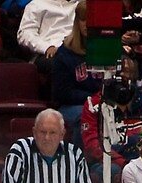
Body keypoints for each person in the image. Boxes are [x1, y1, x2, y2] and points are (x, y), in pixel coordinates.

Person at [80, 55, 142, 181]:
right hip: (109, 161)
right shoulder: (94, 105)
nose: (121, 75)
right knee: (110, 170)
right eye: (117, 71)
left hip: (140, 159)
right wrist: (124, 164)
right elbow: (92, 146)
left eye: (126, 71)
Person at [49, 1, 101, 146]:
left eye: (91, 20)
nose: (87, 24)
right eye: (83, 20)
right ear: (77, 22)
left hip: (104, 104)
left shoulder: (108, 52)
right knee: (84, 115)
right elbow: (62, 93)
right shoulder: (64, 54)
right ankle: (82, 160)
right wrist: (93, 99)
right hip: (72, 106)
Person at [15, 0, 78, 71]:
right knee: (63, 64)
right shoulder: (36, 4)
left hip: (78, 50)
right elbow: (25, 34)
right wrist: (46, 47)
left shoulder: (83, 4)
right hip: (49, 53)